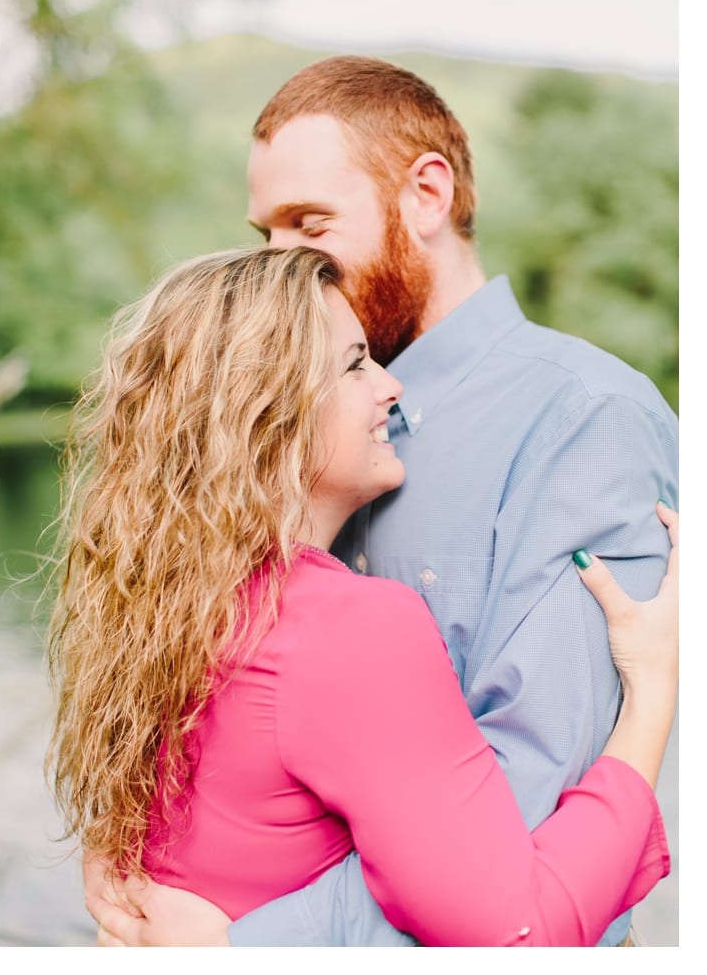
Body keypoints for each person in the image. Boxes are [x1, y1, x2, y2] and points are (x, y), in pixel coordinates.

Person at [83, 56, 679, 945]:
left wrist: (235, 941)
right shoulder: (281, 426)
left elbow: (525, 824)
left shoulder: (587, 420)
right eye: (265, 233)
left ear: (427, 195)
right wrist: (134, 842)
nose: (281, 262)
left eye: (309, 223)